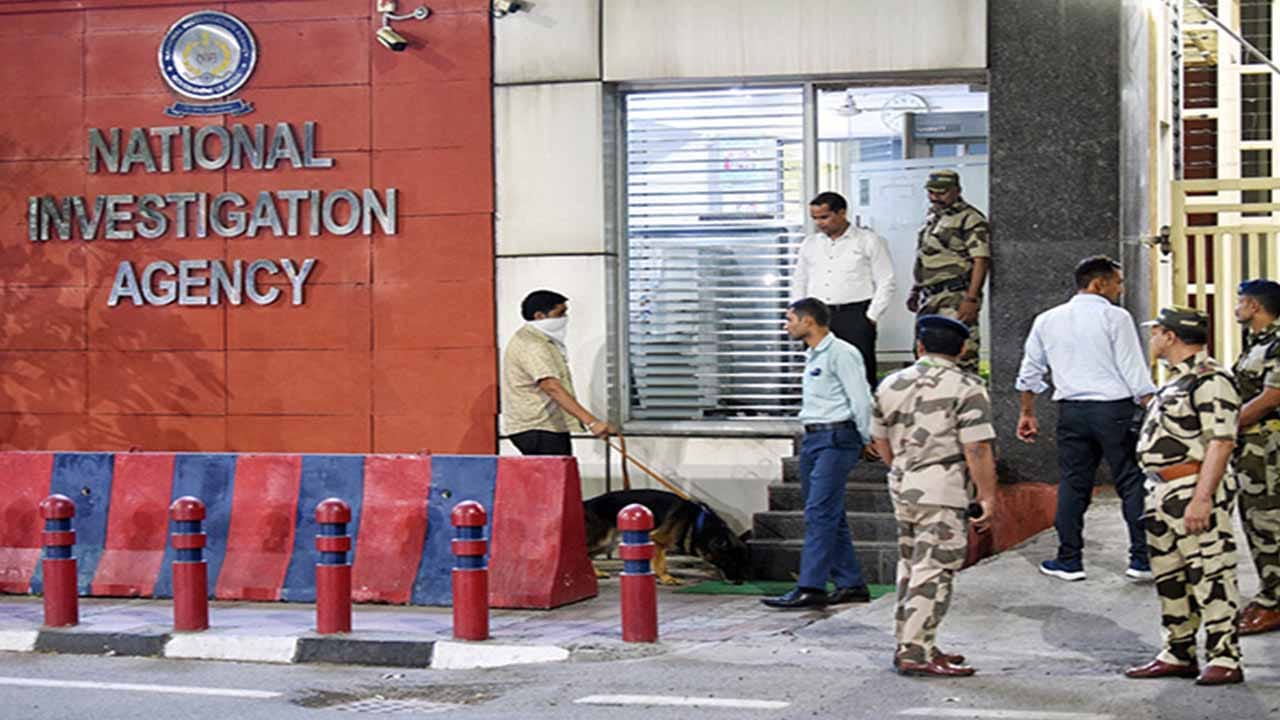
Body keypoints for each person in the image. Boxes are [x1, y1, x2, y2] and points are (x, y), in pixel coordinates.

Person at [1015, 256, 1157, 582]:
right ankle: (1141, 559)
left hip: (1072, 412)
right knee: (1131, 481)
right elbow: (1133, 369)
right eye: (1117, 282)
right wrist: (1152, 406)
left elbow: (1029, 371)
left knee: (1073, 484)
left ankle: (1069, 561)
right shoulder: (1116, 317)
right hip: (1114, 410)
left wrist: (1027, 412)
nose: (1121, 289)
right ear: (1099, 284)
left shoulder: (1047, 320)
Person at [872, 315, 997, 678]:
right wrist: (988, 497)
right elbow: (977, 448)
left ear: (920, 346)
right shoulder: (967, 387)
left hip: (903, 485)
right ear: (963, 349)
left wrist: (903, 468)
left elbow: (879, 440)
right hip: (943, 488)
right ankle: (916, 651)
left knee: (911, 565)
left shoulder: (890, 383)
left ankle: (913, 640)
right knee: (935, 567)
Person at [1125, 306, 1244, 686]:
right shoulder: (1178, 380)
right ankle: (1178, 652)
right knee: (1171, 576)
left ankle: (1225, 657)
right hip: (1162, 491)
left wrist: (1202, 498)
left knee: (1211, 572)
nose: (1153, 338)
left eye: (1157, 332)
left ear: (1171, 336)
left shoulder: (1211, 380)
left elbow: (1221, 442)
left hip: (1191, 487)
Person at [762, 298, 874, 609]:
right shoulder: (812, 355)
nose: (786, 326)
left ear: (808, 321)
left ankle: (811, 586)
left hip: (837, 437)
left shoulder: (842, 353)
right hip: (814, 438)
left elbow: (861, 399)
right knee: (829, 513)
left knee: (819, 512)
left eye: (790, 319)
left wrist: (868, 437)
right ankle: (851, 584)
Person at [792, 191, 896, 387]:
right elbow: (800, 279)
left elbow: (886, 280)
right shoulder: (810, 243)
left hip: (855, 315)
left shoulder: (868, 240)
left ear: (841, 213)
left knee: (859, 373)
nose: (819, 223)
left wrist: (871, 316)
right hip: (816, 317)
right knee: (819, 373)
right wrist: (798, 314)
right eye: (815, 218)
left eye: (824, 217)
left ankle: (863, 407)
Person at [502, 290, 614, 456]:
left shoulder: (541, 340)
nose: (565, 318)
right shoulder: (533, 345)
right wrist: (592, 422)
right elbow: (551, 386)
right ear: (539, 316)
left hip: (544, 427)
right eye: (560, 313)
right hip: (539, 428)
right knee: (556, 473)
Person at [1231, 279, 1280, 636]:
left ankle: (1275, 602)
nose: (1236, 308)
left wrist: (1225, 427)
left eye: (1240, 301)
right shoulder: (1258, 342)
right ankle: (1270, 593)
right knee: (1255, 519)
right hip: (1253, 447)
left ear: (1253, 306)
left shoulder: (1277, 344)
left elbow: (1271, 397)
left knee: (1268, 521)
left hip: (1268, 448)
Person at [908, 169, 990, 374]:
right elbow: (923, 255)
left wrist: (971, 299)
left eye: (942, 193)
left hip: (955, 295)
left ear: (957, 191)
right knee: (925, 358)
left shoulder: (970, 218)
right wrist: (916, 289)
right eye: (931, 192)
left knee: (961, 357)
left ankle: (965, 393)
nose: (935, 197)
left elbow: (981, 260)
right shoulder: (932, 216)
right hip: (929, 296)